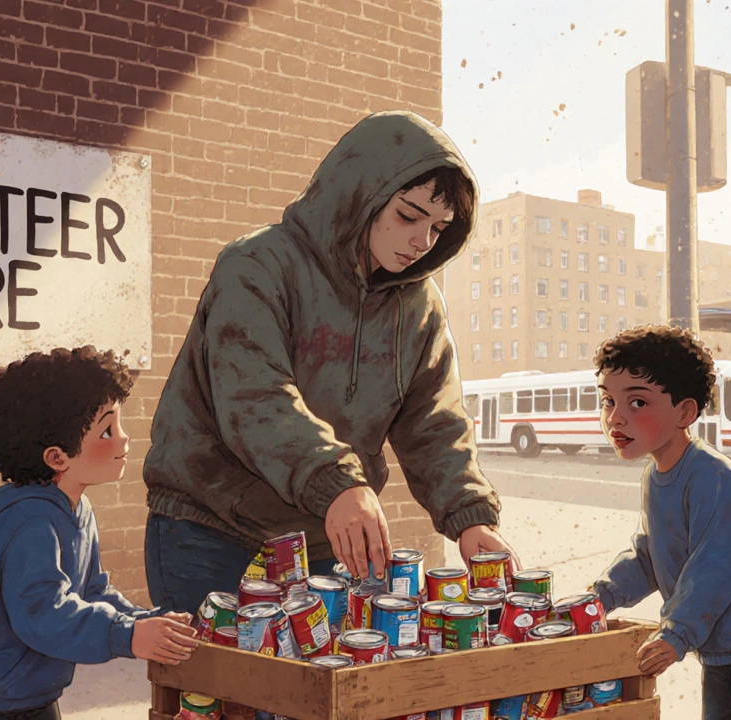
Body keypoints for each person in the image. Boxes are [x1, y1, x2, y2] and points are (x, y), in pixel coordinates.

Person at [142, 110, 513, 615]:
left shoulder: (419, 306)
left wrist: (470, 518)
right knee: (217, 692)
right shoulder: (257, 265)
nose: (422, 241)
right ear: (359, 193)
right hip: (209, 530)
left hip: (323, 539)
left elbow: (435, 425)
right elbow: (255, 398)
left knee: (320, 690)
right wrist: (339, 484)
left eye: (440, 227)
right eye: (409, 216)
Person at [0, 347, 197, 720]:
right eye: (107, 429)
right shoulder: (32, 523)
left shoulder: (77, 510)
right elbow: (44, 616)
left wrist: (143, 620)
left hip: (30, 696)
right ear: (57, 457)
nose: (124, 439)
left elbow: (93, 591)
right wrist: (126, 637)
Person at [589, 326, 731, 720]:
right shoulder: (655, 477)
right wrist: (600, 598)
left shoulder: (711, 476)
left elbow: (713, 567)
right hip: (721, 648)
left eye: (637, 403)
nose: (616, 418)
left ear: (685, 412)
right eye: (608, 401)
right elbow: (649, 556)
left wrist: (676, 635)